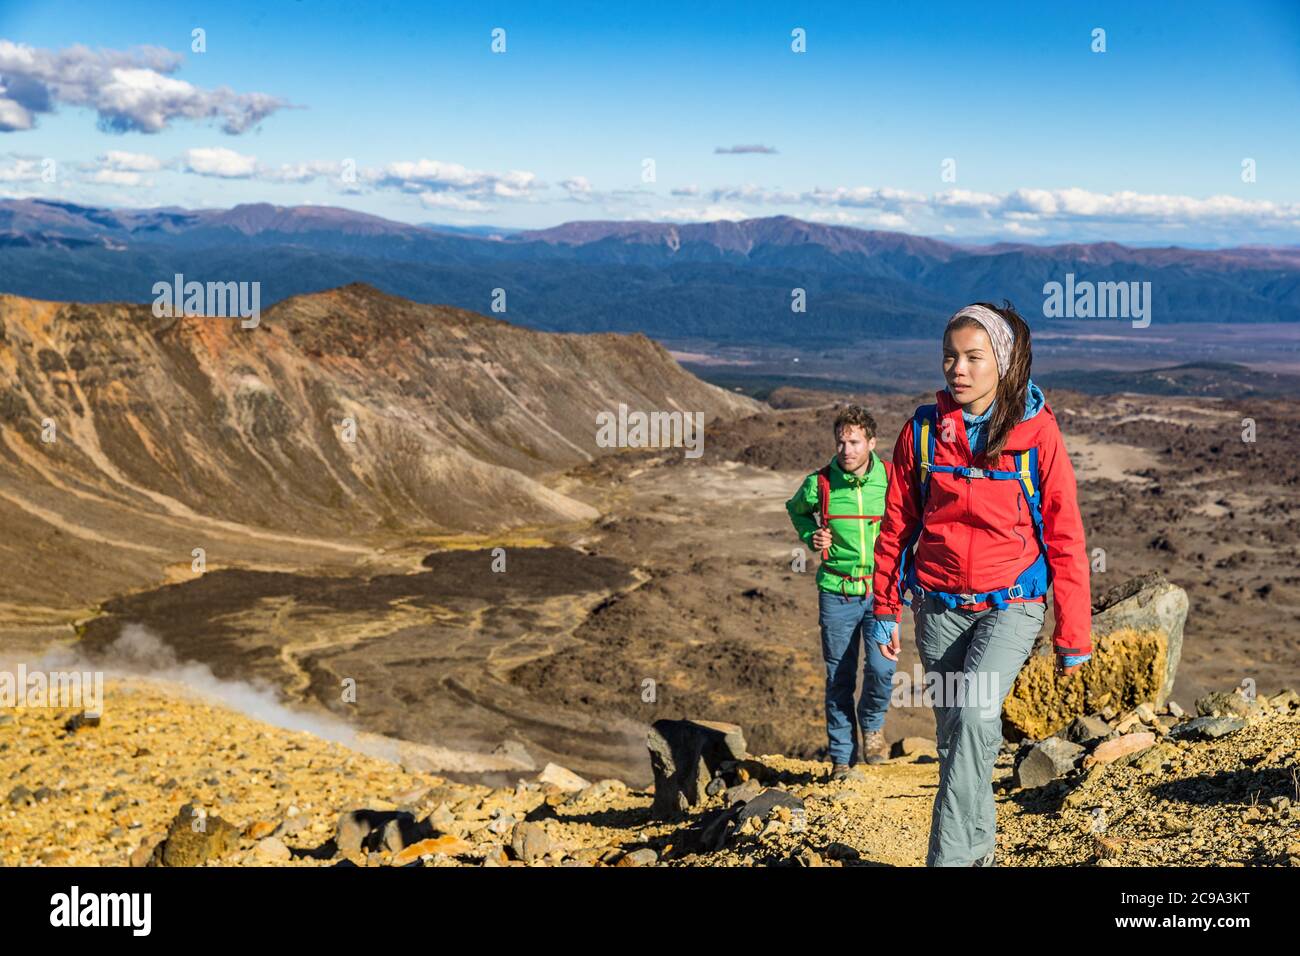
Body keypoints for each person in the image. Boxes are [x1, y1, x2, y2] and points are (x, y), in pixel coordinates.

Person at [869, 301, 1092, 866]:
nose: (957, 369)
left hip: (1013, 602)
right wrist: (885, 607)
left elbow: (1065, 534)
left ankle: (947, 861)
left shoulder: (1037, 434)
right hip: (939, 606)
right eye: (949, 356)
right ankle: (981, 856)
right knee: (958, 741)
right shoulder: (921, 433)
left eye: (973, 357)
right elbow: (897, 524)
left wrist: (1073, 634)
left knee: (971, 717)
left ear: (1005, 363)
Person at [786, 404, 895, 781]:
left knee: (882, 669)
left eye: (854, 442)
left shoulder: (892, 479)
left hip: (882, 592)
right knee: (839, 678)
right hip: (838, 592)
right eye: (841, 442)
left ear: (871, 442)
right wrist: (810, 534)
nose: (846, 450)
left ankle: (873, 725)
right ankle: (842, 759)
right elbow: (796, 510)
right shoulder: (821, 484)